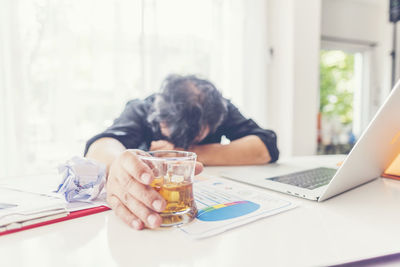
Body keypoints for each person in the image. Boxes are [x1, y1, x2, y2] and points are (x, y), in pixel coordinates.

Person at [85, 74, 279, 230]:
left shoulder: (218, 109)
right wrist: (118, 164)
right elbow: (101, 146)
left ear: (211, 125)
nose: (179, 143)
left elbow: (265, 147)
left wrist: (184, 153)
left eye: (190, 140)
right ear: (159, 117)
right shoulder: (141, 109)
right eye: (174, 137)